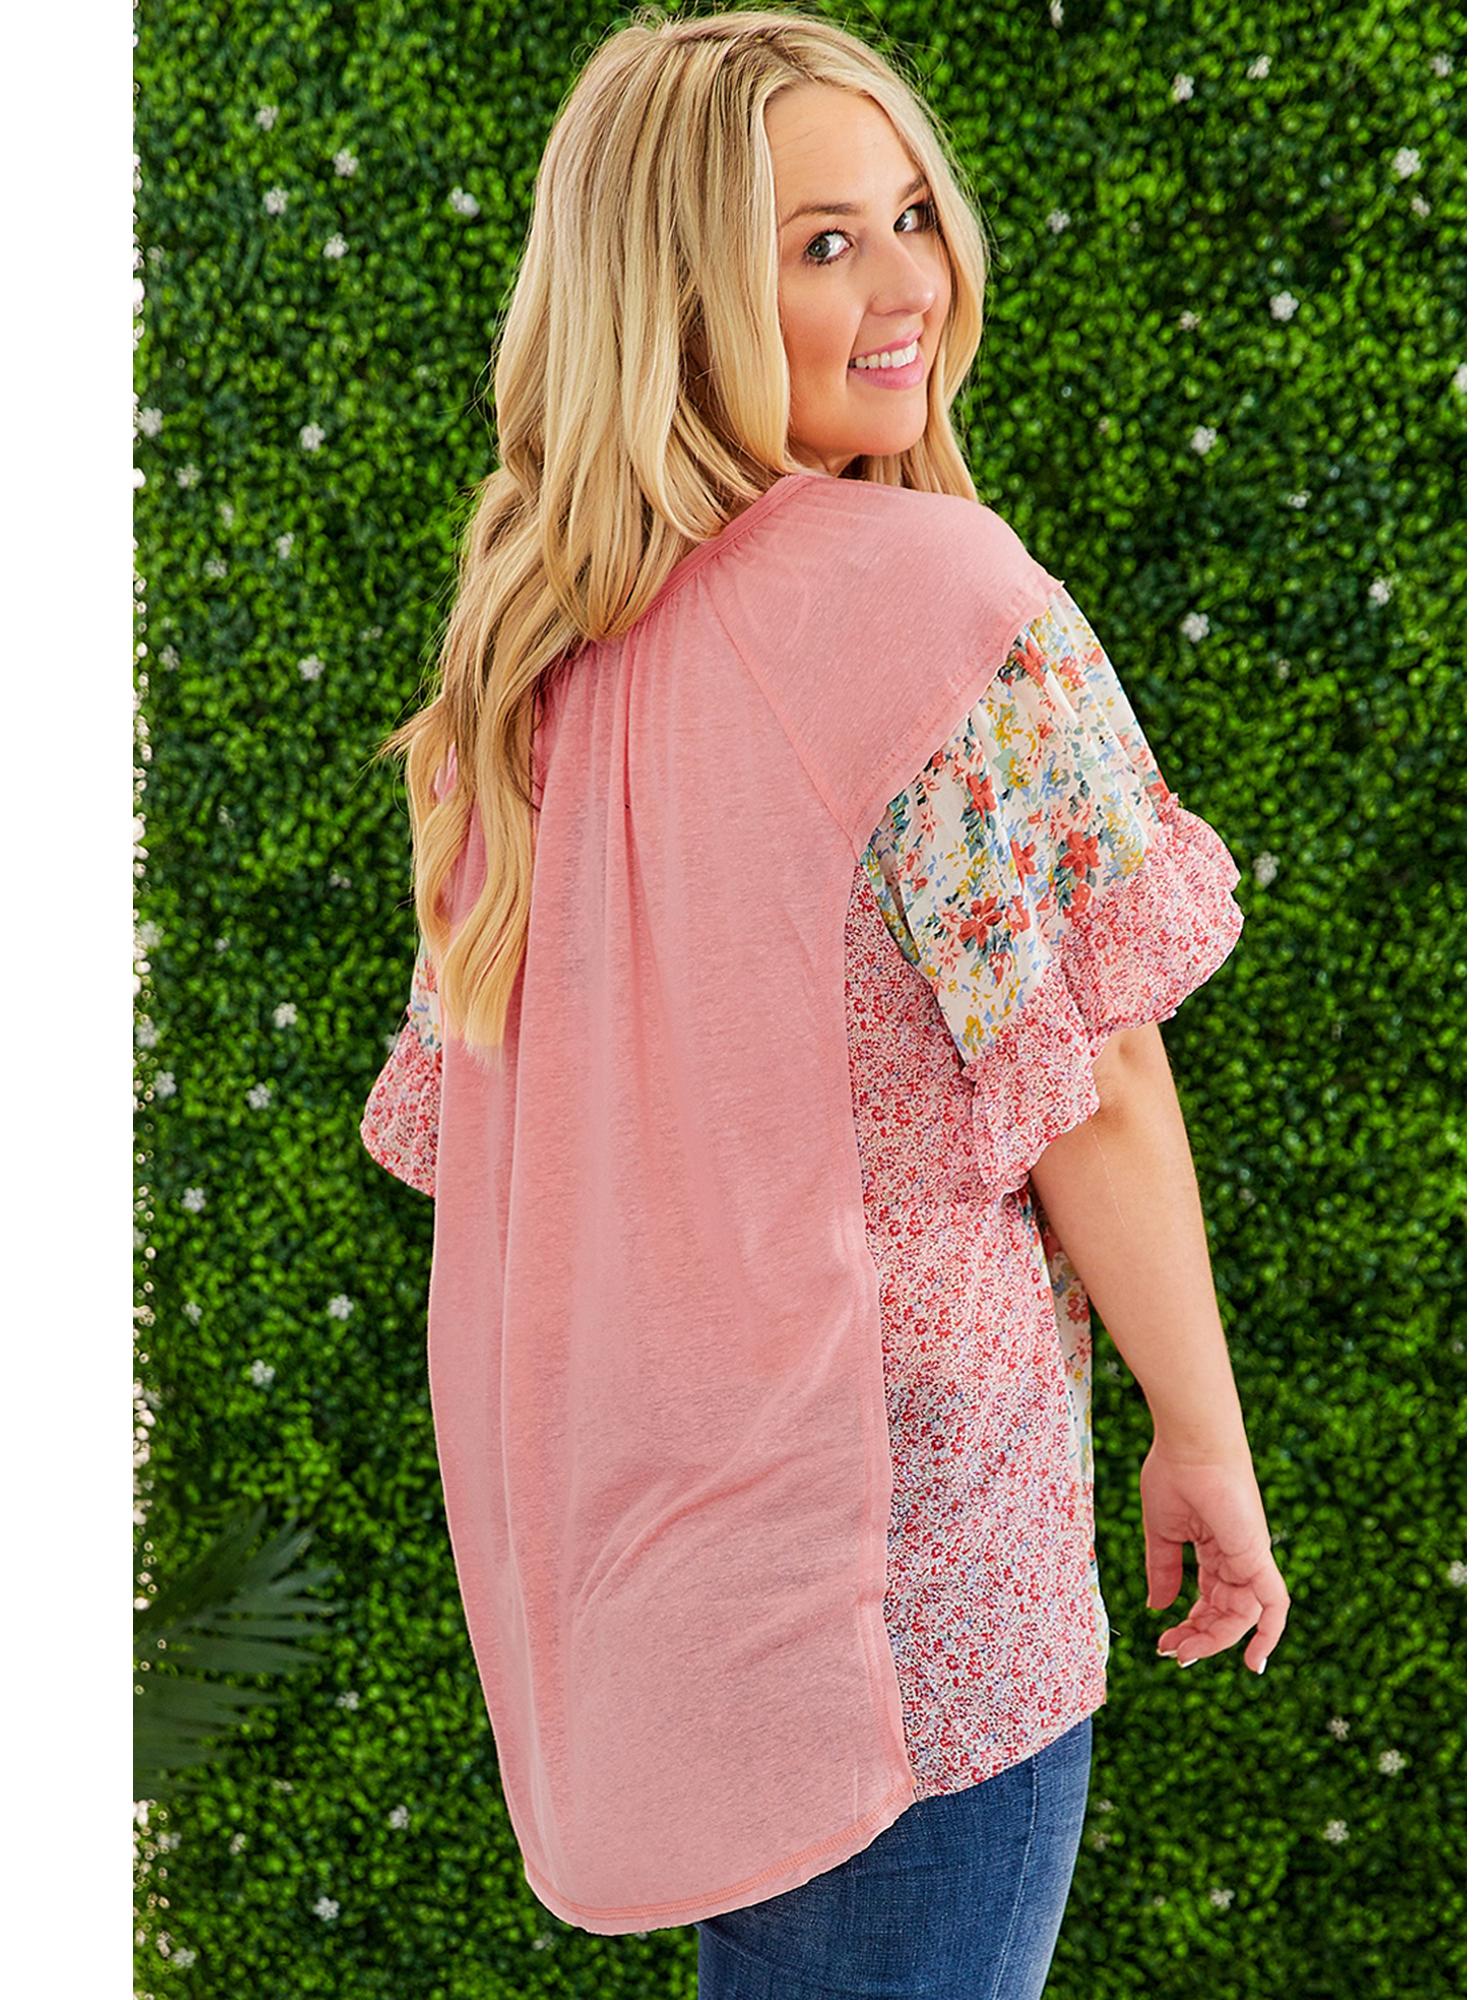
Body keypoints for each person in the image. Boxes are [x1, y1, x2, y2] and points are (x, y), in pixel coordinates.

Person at [358, 6, 1291, 1993]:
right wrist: (1201, 1438)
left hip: (644, 1582)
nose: (906, 285)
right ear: (677, 292)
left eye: (910, 217)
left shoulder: (518, 674)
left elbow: (502, 1158)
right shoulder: (938, 602)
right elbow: (1101, 1080)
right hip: (913, 1582)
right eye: (820, 244)